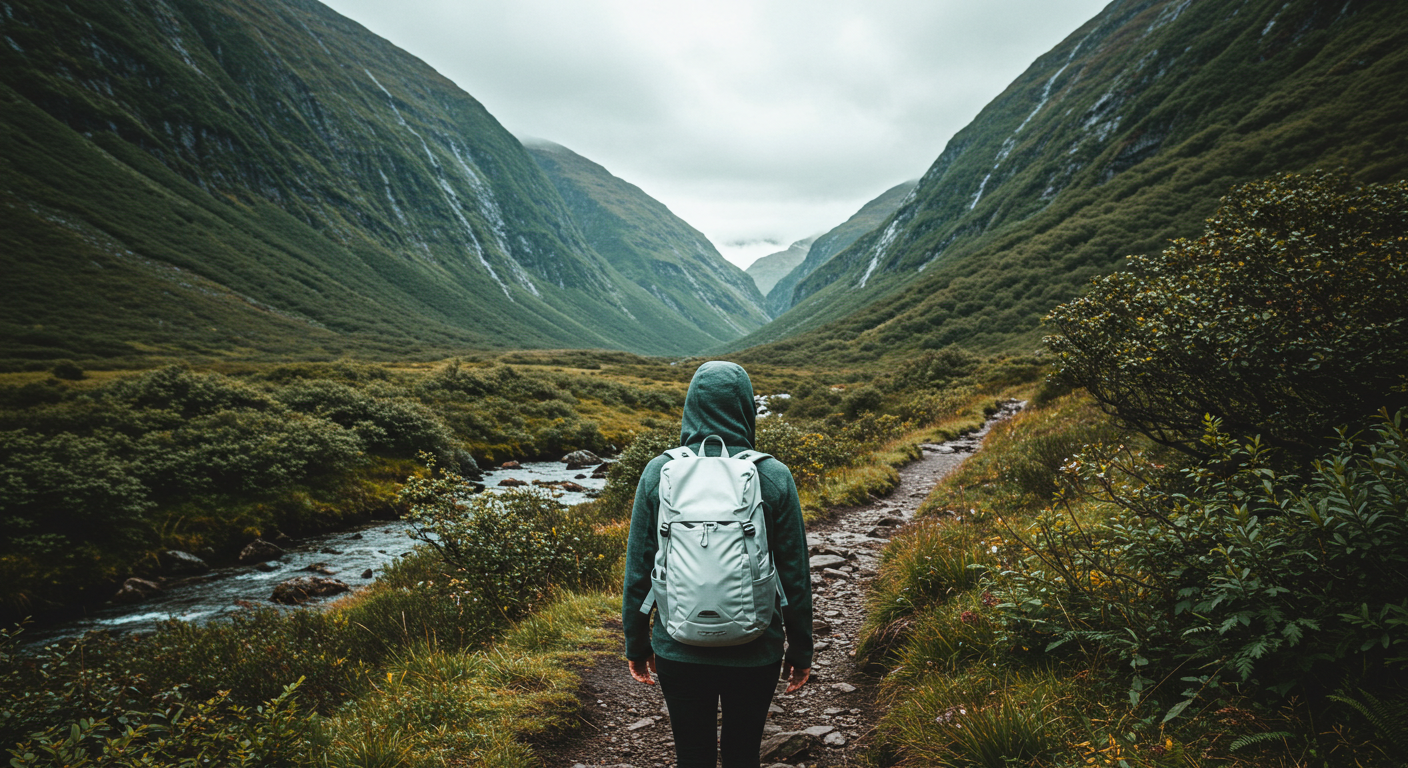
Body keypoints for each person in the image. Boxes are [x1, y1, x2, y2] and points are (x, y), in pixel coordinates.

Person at [622, 360, 814, 768]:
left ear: (691, 406)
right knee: (743, 754)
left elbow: (639, 569)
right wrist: (801, 648)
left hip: (678, 646)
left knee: (693, 755)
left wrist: (636, 644)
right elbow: (795, 574)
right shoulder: (772, 474)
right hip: (756, 648)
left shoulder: (659, 472)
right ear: (746, 407)